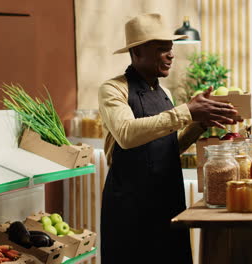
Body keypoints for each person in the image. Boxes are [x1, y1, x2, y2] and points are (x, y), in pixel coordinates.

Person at [98, 14, 238, 264]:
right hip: (131, 207)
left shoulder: (165, 93)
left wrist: (199, 124)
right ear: (138, 52)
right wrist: (186, 111)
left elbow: (168, 148)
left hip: (168, 200)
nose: (171, 55)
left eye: (170, 49)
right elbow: (127, 135)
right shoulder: (113, 89)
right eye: (162, 49)